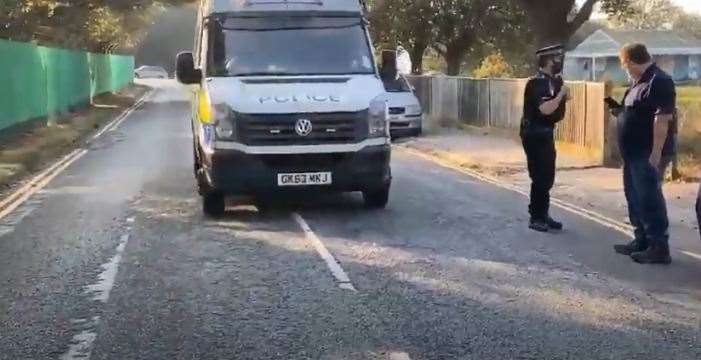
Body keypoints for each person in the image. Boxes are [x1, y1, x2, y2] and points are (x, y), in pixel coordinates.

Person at [610, 44, 674, 264]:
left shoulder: (659, 81)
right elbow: (632, 112)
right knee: (634, 197)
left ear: (630, 61)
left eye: (624, 65)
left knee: (649, 199)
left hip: (648, 153)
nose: (625, 70)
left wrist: (656, 153)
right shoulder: (639, 82)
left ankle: (658, 247)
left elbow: (662, 118)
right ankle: (641, 240)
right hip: (632, 154)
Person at [520, 45, 570, 232]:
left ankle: (544, 214)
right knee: (539, 176)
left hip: (546, 132)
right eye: (556, 58)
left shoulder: (553, 81)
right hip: (533, 133)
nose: (559, 62)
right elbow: (545, 109)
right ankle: (536, 216)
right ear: (547, 60)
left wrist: (562, 92)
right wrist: (561, 95)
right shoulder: (536, 82)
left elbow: (563, 100)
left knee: (548, 175)